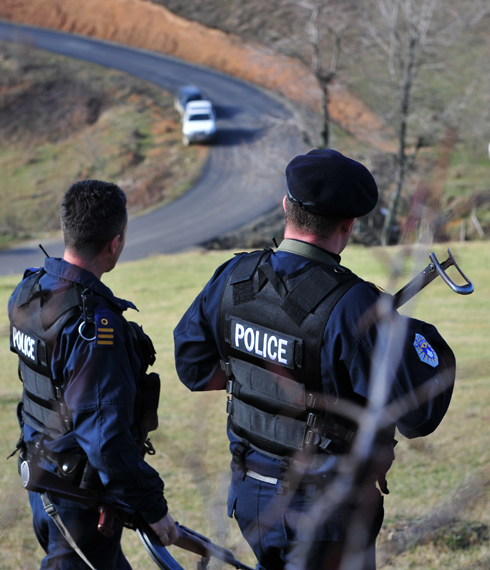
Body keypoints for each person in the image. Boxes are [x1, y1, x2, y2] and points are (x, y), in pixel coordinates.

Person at [173, 149, 456, 570]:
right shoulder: (354, 307)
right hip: (322, 512)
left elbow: (193, 367)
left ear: (286, 205)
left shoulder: (233, 278)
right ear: (349, 224)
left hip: (249, 495)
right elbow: (419, 415)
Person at [9, 180, 178, 569]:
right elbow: (105, 439)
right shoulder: (94, 327)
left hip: (42, 480)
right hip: (77, 501)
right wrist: (154, 508)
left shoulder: (27, 293)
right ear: (115, 243)